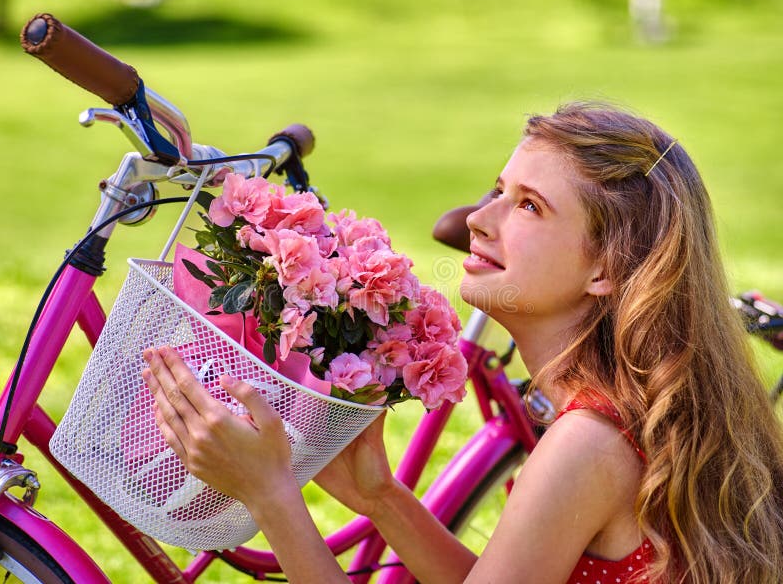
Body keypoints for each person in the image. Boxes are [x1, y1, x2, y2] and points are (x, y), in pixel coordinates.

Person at [142, 102, 783, 583]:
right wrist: (380, 497)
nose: (479, 218)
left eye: (529, 205)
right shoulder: (620, 413)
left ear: (607, 269)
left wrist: (270, 494)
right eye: (498, 191)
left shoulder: (589, 444)